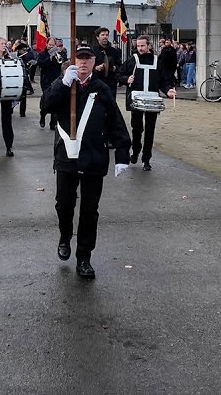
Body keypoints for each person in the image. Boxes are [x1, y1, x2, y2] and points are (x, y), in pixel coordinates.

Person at [41, 45, 131, 279]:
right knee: (64, 205)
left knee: (90, 212)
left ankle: (84, 258)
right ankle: (64, 235)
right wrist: (61, 83)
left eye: (87, 59)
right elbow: (45, 106)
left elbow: (115, 122)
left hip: (94, 159)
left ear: (94, 62)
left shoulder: (101, 89)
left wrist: (122, 154)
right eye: (79, 59)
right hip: (66, 159)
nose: (82, 63)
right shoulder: (64, 85)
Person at [119, 35, 178, 171]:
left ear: (148, 46)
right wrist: (126, 79)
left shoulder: (157, 61)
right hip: (137, 100)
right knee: (137, 128)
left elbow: (163, 80)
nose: (140, 48)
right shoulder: (132, 60)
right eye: (138, 46)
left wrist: (168, 91)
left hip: (152, 100)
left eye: (142, 46)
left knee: (150, 131)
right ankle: (135, 152)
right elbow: (119, 74)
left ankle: (146, 159)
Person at [35, 38, 67, 129]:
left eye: (53, 45)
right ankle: (43, 116)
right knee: (46, 100)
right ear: (46, 44)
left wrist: (59, 56)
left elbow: (63, 63)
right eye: (50, 45)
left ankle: (53, 123)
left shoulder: (61, 53)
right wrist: (49, 58)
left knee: (56, 100)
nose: (51, 47)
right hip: (46, 80)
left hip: (56, 80)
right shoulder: (42, 54)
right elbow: (40, 64)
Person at [90, 27, 122, 98]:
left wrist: (114, 68)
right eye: (102, 35)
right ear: (97, 37)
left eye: (106, 35)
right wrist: (96, 68)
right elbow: (88, 66)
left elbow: (120, 66)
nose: (105, 37)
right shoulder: (93, 51)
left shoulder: (114, 51)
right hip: (97, 81)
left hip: (111, 83)